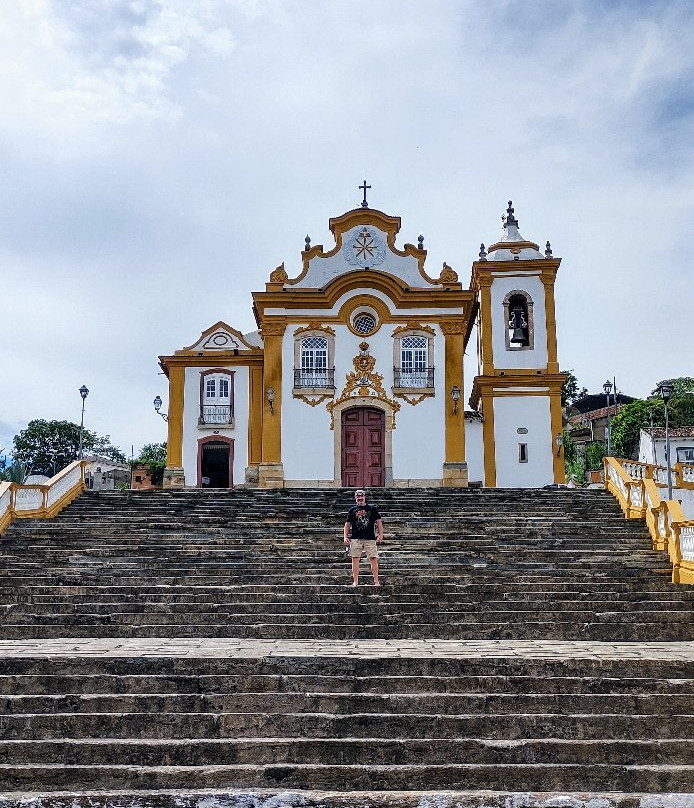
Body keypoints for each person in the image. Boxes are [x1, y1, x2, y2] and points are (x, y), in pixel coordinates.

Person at [343, 489, 383, 587]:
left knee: (373, 558)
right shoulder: (352, 510)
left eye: (361, 496)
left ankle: (376, 581)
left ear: (364, 497)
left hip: (370, 538)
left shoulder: (372, 509)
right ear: (355, 498)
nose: (360, 498)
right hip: (356, 538)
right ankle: (355, 581)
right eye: (358, 497)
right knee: (355, 559)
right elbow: (347, 524)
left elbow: (379, 522)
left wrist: (380, 534)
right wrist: (345, 536)